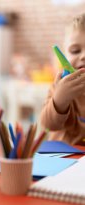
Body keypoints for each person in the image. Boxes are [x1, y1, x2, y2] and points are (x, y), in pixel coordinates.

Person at [40, 13, 85, 145]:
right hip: (62, 156)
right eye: (75, 51)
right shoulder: (60, 84)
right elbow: (48, 124)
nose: (83, 56)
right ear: (65, 55)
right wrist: (60, 99)